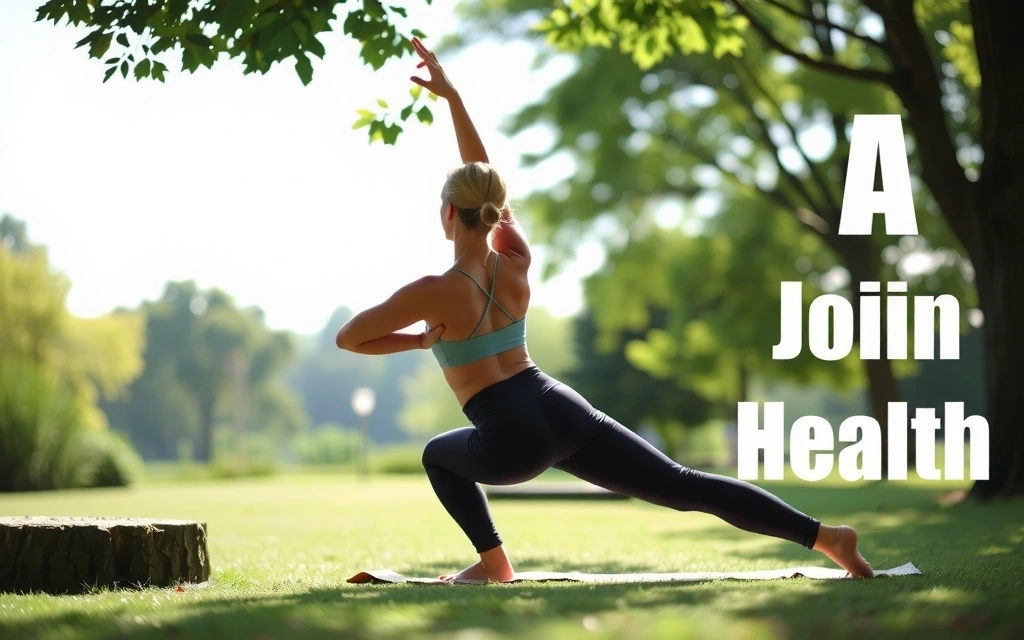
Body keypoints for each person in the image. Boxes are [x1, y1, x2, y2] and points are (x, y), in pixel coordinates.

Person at [335, 37, 874, 584]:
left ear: (448, 213)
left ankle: (495, 565)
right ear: (492, 212)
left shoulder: (431, 291)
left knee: (435, 455)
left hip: (508, 436)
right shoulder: (516, 260)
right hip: (559, 407)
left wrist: (419, 341)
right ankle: (827, 538)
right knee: (682, 484)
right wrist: (454, 100)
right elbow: (482, 174)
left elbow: (349, 338)